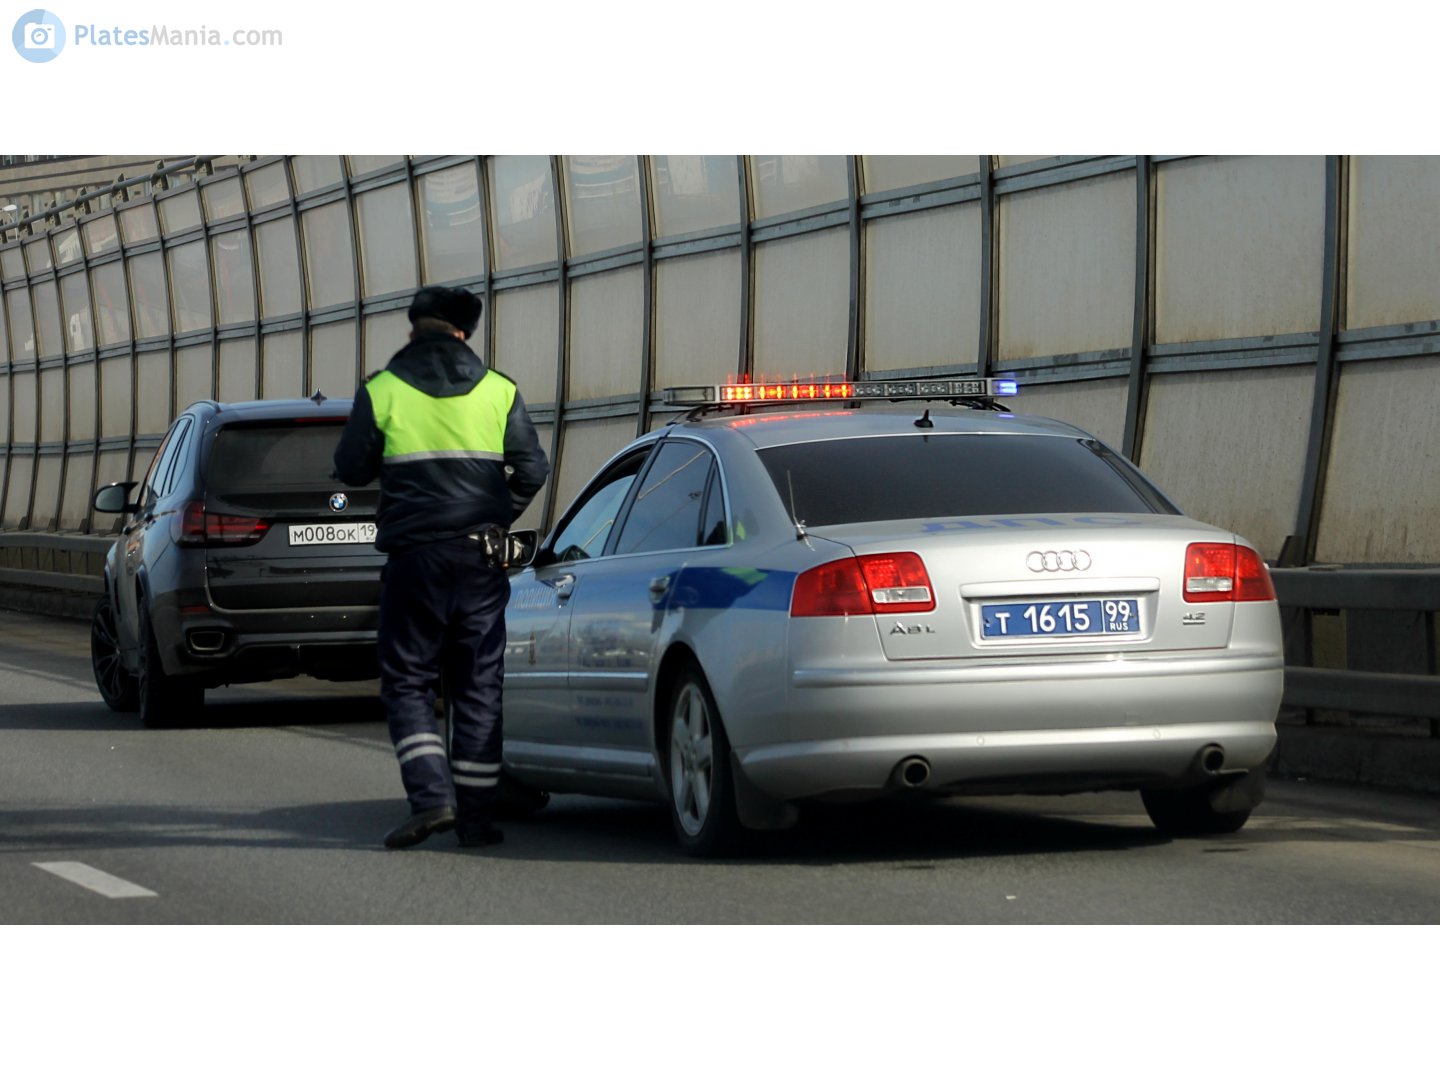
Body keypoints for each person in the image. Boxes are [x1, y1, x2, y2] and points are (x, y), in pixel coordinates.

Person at [334, 285, 550, 849]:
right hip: (480, 560)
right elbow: (533, 469)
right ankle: (476, 821)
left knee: (408, 679)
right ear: (465, 332)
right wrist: (495, 516)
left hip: (414, 562)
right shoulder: (500, 390)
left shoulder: (382, 390)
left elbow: (351, 468)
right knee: (478, 684)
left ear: (413, 330)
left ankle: (432, 799)